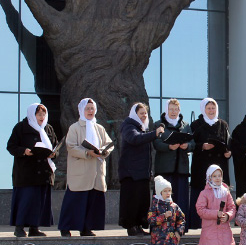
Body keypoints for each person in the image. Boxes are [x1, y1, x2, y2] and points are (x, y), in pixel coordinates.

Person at [59, 98, 114, 237]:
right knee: (74, 201)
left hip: (96, 171)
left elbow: (109, 144)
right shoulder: (75, 127)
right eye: (87, 108)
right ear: (81, 110)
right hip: (81, 171)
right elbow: (71, 147)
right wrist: (86, 152)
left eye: (92, 108)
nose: (90, 111)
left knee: (92, 201)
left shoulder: (99, 128)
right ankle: (65, 227)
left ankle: (86, 228)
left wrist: (104, 151)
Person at [7, 103, 58, 237]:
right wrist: (24, 151)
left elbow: (56, 145)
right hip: (26, 172)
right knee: (26, 200)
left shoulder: (48, 129)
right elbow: (11, 146)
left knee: (39, 201)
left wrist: (54, 154)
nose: (42, 117)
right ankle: (19, 227)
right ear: (32, 114)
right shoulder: (21, 127)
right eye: (39, 114)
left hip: (43, 171)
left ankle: (34, 228)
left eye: (43, 114)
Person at [118, 103, 164, 236]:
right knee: (131, 201)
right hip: (131, 173)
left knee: (141, 201)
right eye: (141, 113)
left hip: (142, 173)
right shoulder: (128, 126)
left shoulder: (142, 129)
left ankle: (138, 225)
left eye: (145, 113)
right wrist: (154, 133)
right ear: (135, 114)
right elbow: (134, 139)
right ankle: (131, 226)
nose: (144, 115)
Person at [153, 99, 195, 231]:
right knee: (164, 200)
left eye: (176, 109)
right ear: (166, 110)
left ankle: (181, 227)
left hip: (181, 168)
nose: (173, 112)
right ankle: (163, 227)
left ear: (179, 111)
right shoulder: (159, 125)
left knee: (181, 199)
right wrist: (169, 146)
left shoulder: (186, 126)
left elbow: (193, 144)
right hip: (165, 169)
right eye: (171, 109)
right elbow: (156, 143)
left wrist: (187, 146)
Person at [190, 98, 231, 228]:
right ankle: (197, 223)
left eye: (213, 108)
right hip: (202, 164)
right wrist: (202, 146)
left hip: (219, 163)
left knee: (219, 193)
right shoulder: (196, 124)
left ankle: (220, 220)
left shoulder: (223, 124)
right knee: (201, 193)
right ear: (203, 109)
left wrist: (228, 153)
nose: (211, 111)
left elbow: (228, 142)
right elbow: (191, 144)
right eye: (208, 108)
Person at [196, 164, 236, 245]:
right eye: (215, 176)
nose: (218, 178)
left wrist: (228, 216)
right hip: (210, 228)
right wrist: (215, 214)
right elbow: (200, 210)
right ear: (209, 177)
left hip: (223, 228)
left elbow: (232, 207)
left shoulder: (226, 191)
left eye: (219, 176)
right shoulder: (204, 193)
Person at [148, 176, 186, 245]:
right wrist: (163, 216)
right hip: (158, 239)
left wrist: (179, 232)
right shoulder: (155, 205)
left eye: (169, 190)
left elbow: (182, 219)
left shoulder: (174, 206)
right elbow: (150, 220)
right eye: (165, 191)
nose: (168, 193)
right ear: (160, 192)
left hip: (170, 240)